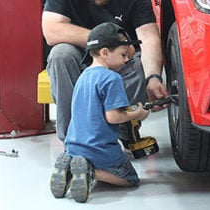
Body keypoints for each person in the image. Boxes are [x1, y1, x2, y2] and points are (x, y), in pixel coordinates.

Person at [42, 0, 167, 144]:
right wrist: (107, 42)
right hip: (85, 53)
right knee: (60, 55)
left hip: (123, 56)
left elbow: (149, 37)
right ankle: (73, 139)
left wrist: (153, 77)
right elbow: (51, 31)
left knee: (137, 63)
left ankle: (126, 130)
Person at [50, 22, 150, 203]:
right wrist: (138, 114)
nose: (127, 60)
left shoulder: (83, 76)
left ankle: (72, 167)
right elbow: (113, 117)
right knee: (130, 179)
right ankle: (90, 171)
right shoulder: (112, 78)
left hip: (73, 147)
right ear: (104, 53)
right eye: (123, 55)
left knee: (84, 158)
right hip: (99, 149)